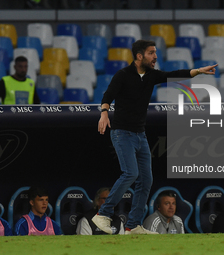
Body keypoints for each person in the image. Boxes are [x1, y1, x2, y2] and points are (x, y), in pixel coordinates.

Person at [93, 39, 217, 235]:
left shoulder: (151, 76)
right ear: (139, 56)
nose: (155, 56)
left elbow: (174, 75)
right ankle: (103, 214)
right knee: (131, 173)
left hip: (140, 135)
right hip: (122, 133)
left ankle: (132, 226)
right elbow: (108, 95)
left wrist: (198, 71)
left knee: (146, 180)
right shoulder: (123, 75)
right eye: (151, 53)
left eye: (155, 53)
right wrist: (104, 113)